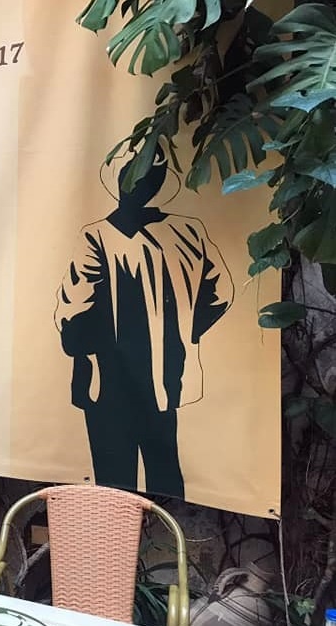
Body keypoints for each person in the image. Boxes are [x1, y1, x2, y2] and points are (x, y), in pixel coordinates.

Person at [54, 147, 234, 498]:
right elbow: (220, 292)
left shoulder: (97, 236)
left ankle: (119, 535)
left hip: (107, 382)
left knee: (112, 485)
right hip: (168, 377)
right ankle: (167, 532)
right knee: (165, 477)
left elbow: (74, 311)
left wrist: (83, 344)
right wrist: (183, 332)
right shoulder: (189, 232)